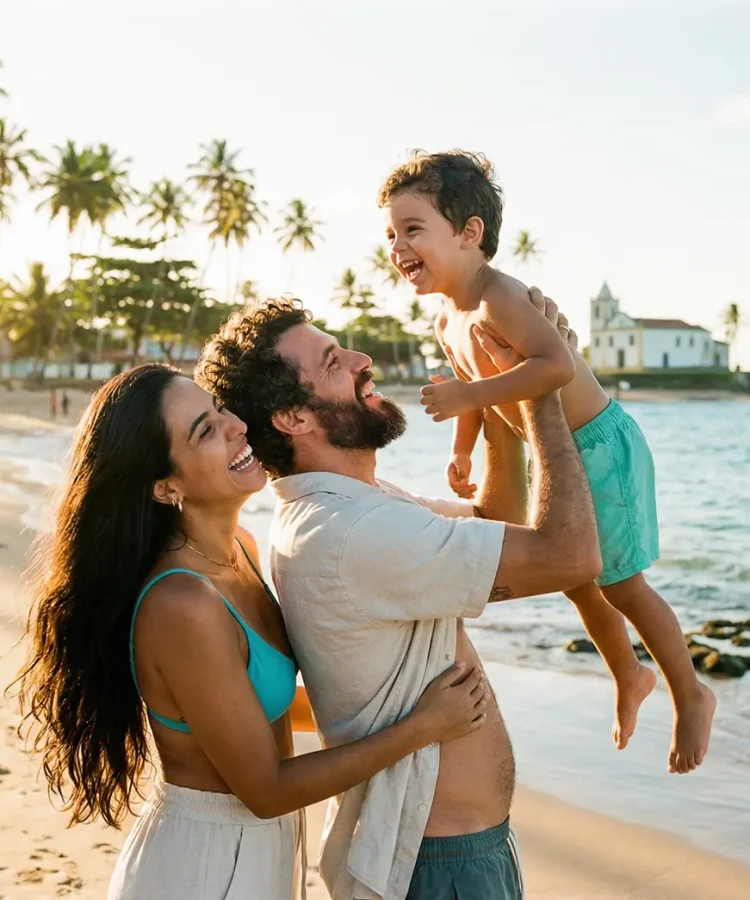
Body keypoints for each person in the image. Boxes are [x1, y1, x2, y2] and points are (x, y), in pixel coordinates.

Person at [15, 363, 492, 900]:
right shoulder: (183, 604)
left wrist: (400, 698)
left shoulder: (239, 547)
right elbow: (266, 789)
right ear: (165, 484)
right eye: (205, 430)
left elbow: (257, 703)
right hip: (206, 863)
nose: (235, 425)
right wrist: (420, 727)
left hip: (257, 851)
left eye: (219, 410)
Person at [196, 296, 601, 900]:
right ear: (292, 418)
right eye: (334, 362)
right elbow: (569, 556)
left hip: (455, 852)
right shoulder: (350, 532)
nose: (363, 360)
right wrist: (543, 384)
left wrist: (495, 397)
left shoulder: (353, 506)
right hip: (437, 863)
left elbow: (497, 521)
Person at [377, 149, 716, 774]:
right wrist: (461, 446)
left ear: (470, 233)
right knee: (574, 574)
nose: (398, 246)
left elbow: (554, 364)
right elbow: (476, 383)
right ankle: (627, 673)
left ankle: (691, 692)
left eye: (413, 229)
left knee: (621, 582)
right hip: (553, 452)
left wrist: (470, 396)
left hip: (598, 445)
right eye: (392, 233)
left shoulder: (501, 296)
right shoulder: (450, 316)